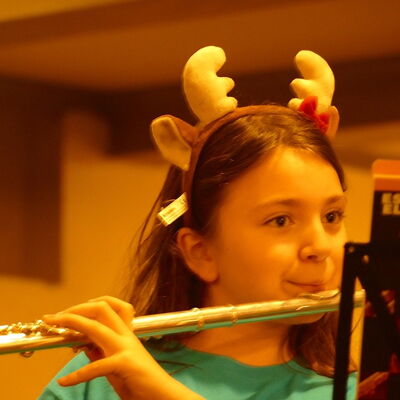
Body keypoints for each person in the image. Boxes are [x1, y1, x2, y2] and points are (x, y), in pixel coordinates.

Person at [38, 46, 357, 400]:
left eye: (332, 216)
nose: (320, 246)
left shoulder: (363, 391)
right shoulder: (102, 376)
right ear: (200, 252)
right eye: (280, 220)